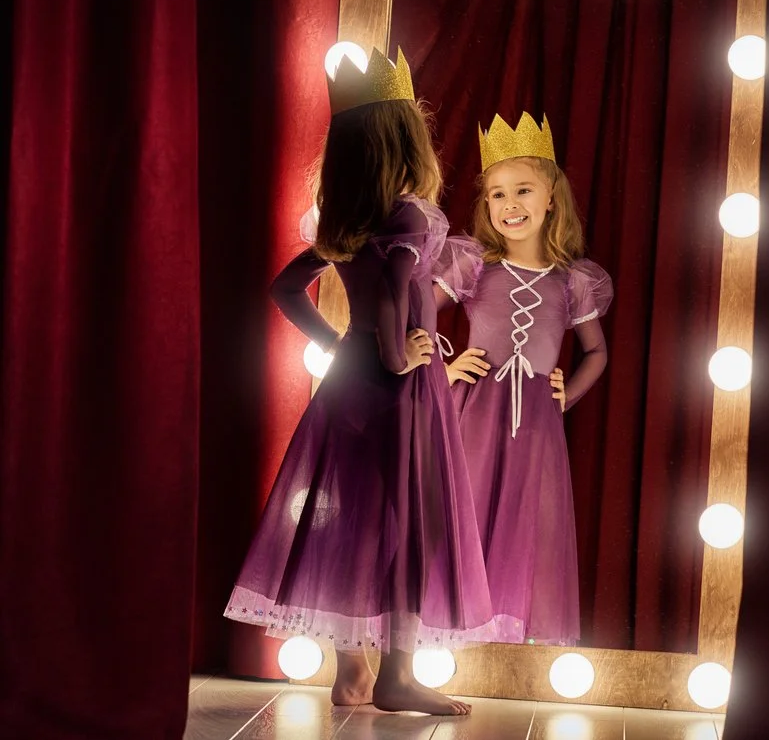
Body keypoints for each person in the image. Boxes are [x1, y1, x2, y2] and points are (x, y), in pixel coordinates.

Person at [224, 48, 501, 715]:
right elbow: (395, 295)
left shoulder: (348, 217)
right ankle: (395, 675)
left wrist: (343, 347)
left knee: (356, 522)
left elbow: (287, 289)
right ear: (406, 137)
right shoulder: (408, 213)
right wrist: (397, 353)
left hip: (353, 383)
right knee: (415, 523)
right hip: (400, 391)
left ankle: (352, 671)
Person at [433, 112, 613, 646]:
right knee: (464, 512)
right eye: (497, 195)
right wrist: (444, 371)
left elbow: (597, 353)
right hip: (475, 411)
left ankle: (507, 642)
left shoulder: (572, 282)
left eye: (524, 191)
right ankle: (452, 629)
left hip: (535, 417)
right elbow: (413, 315)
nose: (510, 205)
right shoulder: (474, 266)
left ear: (551, 197)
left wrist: (565, 395)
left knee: (524, 522)